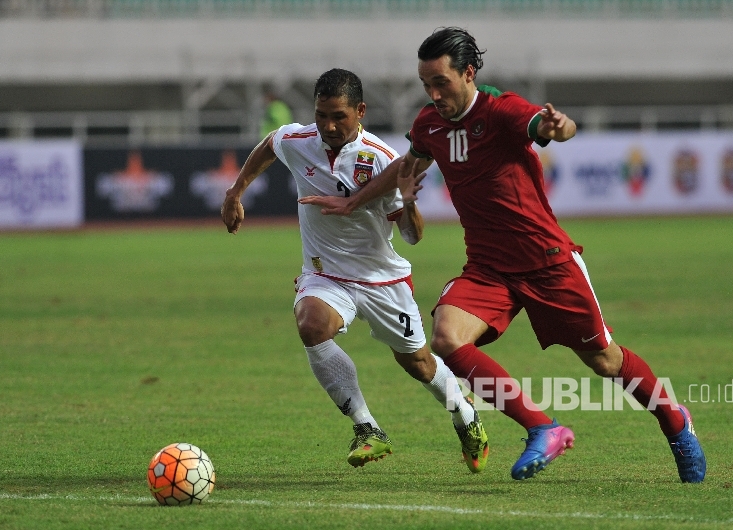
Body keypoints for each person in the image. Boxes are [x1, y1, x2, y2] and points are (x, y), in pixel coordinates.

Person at [299, 28, 707, 483]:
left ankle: (675, 421)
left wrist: (560, 127)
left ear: (468, 73)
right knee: (447, 339)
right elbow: (407, 164)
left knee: (605, 361)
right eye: (426, 85)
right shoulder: (429, 124)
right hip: (489, 268)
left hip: (548, 260)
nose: (434, 94)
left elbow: (554, 126)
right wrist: (358, 200)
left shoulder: (501, 110)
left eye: (442, 83)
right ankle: (542, 427)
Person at [221, 68, 489, 472]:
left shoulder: (382, 160)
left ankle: (465, 414)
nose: (328, 125)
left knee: (418, 364)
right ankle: (367, 428)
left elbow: (414, 237)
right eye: (321, 114)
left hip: (382, 280)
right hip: (325, 274)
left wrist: (409, 202)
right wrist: (236, 191)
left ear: (360, 111)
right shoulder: (299, 140)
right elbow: (270, 144)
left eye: (339, 116)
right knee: (311, 324)